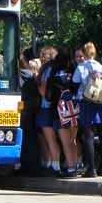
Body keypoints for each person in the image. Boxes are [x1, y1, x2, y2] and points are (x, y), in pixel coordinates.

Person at [74, 42, 102, 177]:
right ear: (95, 52)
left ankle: (91, 169)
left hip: (87, 102)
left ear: (84, 53)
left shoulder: (81, 67)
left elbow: (75, 81)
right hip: (100, 103)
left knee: (88, 136)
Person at [47, 48, 78, 177]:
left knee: (65, 142)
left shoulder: (54, 74)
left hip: (59, 111)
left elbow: (49, 95)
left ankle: (70, 168)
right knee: (73, 140)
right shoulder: (74, 71)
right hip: (75, 110)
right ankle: (75, 166)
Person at [36, 46, 62, 176]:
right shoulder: (58, 69)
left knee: (50, 139)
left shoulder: (47, 70)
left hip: (46, 106)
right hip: (57, 106)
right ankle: (57, 164)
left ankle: (54, 165)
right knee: (57, 139)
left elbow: (43, 91)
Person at [19, 50, 42, 176]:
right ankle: (34, 167)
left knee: (26, 139)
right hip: (32, 108)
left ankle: (28, 166)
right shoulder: (31, 75)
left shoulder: (18, 75)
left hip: (23, 109)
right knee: (31, 138)